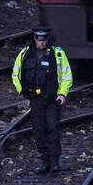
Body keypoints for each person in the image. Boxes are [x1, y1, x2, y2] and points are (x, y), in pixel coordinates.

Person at [11, 26, 73, 174]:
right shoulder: (25, 54)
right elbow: (16, 74)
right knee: (39, 131)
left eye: (44, 38)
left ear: (47, 39)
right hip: (35, 99)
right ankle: (45, 161)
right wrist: (22, 91)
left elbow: (66, 76)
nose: (41, 42)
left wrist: (62, 94)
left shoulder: (58, 54)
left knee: (53, 129)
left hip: (52, 100)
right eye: (39, 38)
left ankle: (54, 162)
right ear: (35, 38)